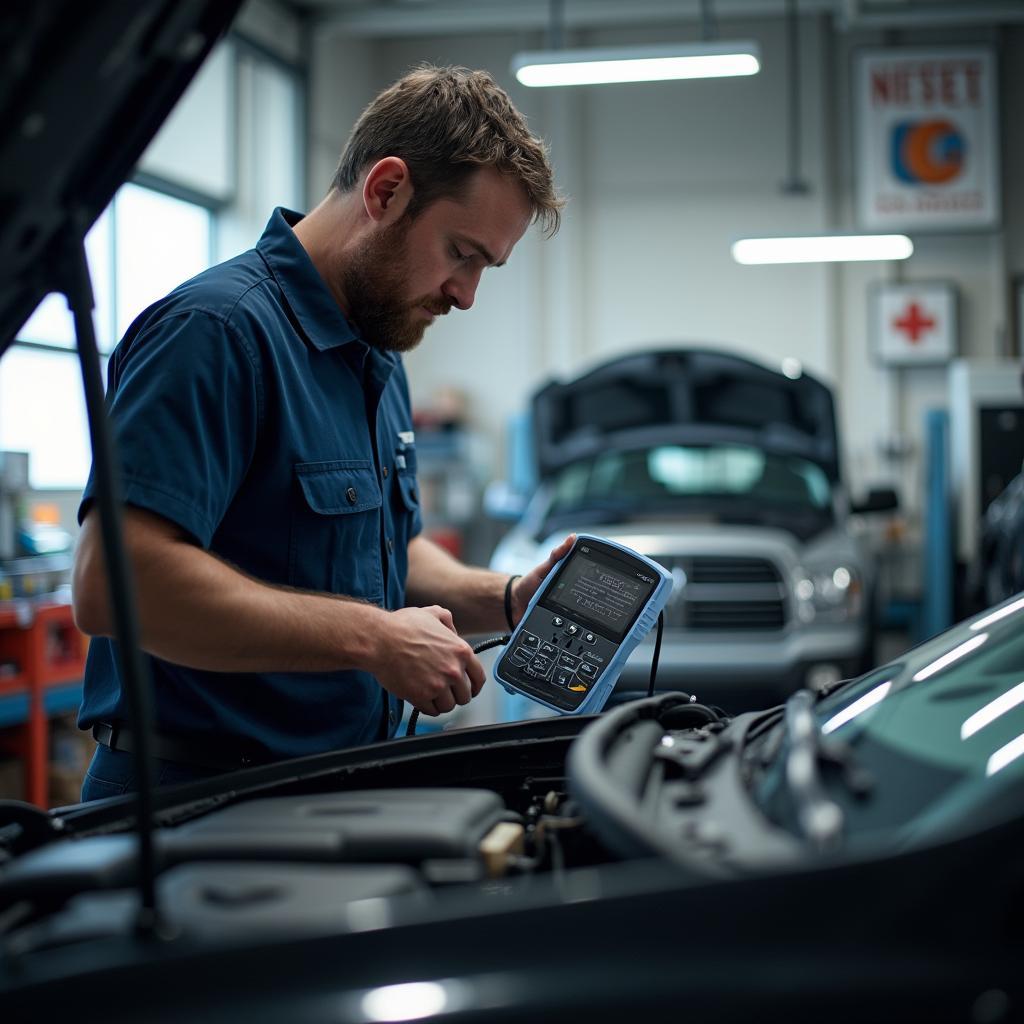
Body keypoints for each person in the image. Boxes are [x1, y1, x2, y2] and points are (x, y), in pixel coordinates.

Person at [72, 64, 569, 800]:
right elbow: (115, 583)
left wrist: (504, 598)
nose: (466, 295)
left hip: (325, 790)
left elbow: (381, 551)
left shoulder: (375, 350)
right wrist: (375, 638)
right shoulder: (216, 333)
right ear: (386, 190)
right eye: (462, 254)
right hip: (194, 804)